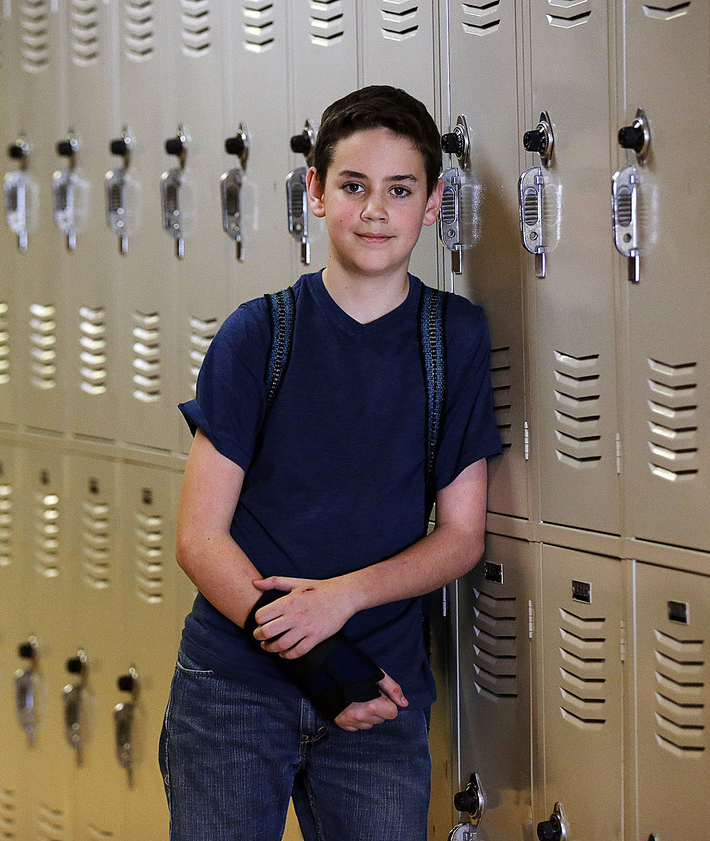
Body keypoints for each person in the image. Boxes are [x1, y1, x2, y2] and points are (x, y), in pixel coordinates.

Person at [160, 85, 502, 841]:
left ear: (433, 202)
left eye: (399, 189)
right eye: (352, 186)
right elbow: (199, 538)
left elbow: (461, 535)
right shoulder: (258, 335)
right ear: (315, 192)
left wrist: (339, 602)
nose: (375, 209)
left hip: (380, 694)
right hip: (237, 688)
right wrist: (316, 657)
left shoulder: (456, 338)